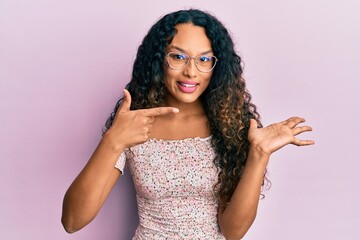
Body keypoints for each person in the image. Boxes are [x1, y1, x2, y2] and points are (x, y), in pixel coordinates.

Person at [61, 9, 314, 239]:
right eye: (179, 57)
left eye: (204, 60)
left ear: (217, 67)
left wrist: (259, 154)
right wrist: (113, 141)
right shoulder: (134, 123)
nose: (191, 72)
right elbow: (72, 221)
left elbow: (233, 232)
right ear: (159, 59)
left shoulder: (231, 127)